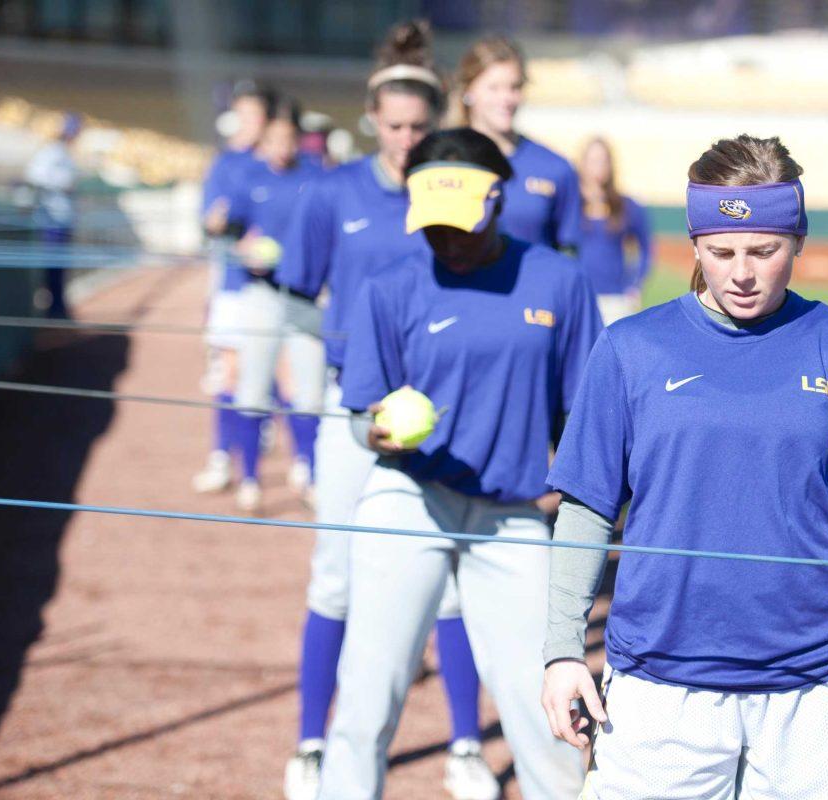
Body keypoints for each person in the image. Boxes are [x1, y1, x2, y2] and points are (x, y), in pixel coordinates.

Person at [540, 135, 828, 799]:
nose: (741, 272)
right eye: (721, 251)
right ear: (696, 245)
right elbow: (588, 508)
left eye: (764, 251)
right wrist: (563, 650)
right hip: (660, 683)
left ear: (798, 239)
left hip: (816, 681)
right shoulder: (629, 349)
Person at [322, 127, 601, 800]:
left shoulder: (559, 282)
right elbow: (361, 412)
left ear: (499, 199)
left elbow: (586, 417)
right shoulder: (390, 288)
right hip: (408, 499)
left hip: (513, 517)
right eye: (433, 225)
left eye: (459, 223)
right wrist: (377, 431)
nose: (444, 239)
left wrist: (581, 495)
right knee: (368, 693)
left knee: (546, 706)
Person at [274, 22, 503, 800]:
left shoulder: (460, 198)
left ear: (437, 123)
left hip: (446, 419)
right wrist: (346, 367)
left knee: (450, 588)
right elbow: (298, 300)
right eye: (394, 125)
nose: (406, 140)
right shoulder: (330, 195)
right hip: (355, 420)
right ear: (373, 118)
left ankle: (466, 744)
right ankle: (312, 742)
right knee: (335, 580)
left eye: (419, 127)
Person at [227, 97, 327, 512]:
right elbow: (227, 230)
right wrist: (241, 246)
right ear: (264, 142)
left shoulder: (317, 178)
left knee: (311, 393)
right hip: (261, 294)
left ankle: (311, 472)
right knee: (252, 385)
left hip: (304, 296)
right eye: (274, 139)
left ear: (299, 141)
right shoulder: (248, 177)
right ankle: (249, 478)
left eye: (289, 138)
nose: (282, 146)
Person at [191, 81, 274, 505]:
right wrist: (220, 224)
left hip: (274, 289)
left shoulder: (280, 163)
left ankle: (263, 464)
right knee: (229, 371)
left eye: (256, 114)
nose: (249, 123)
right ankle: (224, 457)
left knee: (270, 376)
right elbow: (206, 220)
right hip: (233, 284)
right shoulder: (224, 163)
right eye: (243, 113)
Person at [453, 36, 581, 250]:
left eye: (514, 87)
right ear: (468, 91)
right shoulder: (441, 160)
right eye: (493, 88)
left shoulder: (555, 168)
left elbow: (569, 255)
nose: (506, 99)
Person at [574, 136, 652, 324]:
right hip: (579, 297)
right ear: (583, 164)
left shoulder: (627, 206)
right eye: (593, 160)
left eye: (603, 160)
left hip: (616, 300)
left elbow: (646, 249)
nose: (598, 166)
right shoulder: (571, 206)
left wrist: (634, 286)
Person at [24, 111, 82, 319]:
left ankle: (59, 306)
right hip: (52, 219)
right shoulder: (50, 152)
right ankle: (53, 309)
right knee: (52, 265)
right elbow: (35, 177)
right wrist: (61, 185)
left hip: (64, 218)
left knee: (61, 266)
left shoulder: (65, 153)